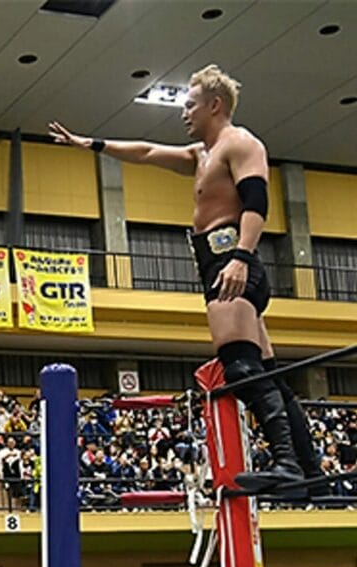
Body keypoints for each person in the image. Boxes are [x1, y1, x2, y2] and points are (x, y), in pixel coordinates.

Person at [49, 64, 321, 493]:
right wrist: (92, 144)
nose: (184, 114)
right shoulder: (201, 155)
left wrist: (240, 258)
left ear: (215, 105)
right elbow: (145, 152)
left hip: (232, 262)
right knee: (265, 370)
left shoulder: (241, 144)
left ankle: (288, 464)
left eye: (190, 104)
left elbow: (256, 203)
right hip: (221, 262)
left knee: (239, 365)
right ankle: (311, 472)